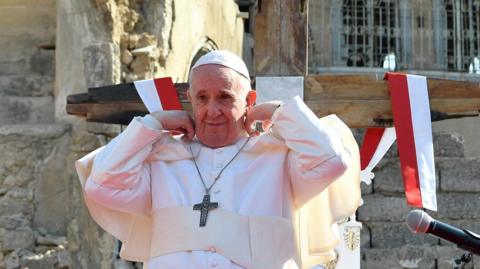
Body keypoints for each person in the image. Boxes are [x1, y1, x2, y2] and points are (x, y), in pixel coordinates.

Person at [75, 50, 361, 269]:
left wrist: (278, 111)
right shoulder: (163, 158)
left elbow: (331, 161)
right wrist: (153, 122)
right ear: (190, 99)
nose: (212, 111)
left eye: (224, 98)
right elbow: (101, 186)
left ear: (249, 100)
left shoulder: (279, 159)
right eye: (202, 98)